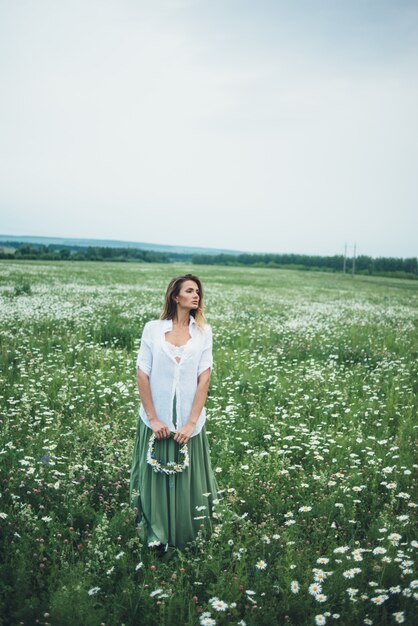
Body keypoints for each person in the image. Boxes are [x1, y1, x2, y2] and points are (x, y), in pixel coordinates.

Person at [129, 273, 219, 559]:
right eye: (190, 291)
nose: (196, 296)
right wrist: (154, 419)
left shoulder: (204, 333)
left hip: (188, 422)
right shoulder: (153, 329)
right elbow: (143, 373)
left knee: (189, 481)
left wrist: (191, 423)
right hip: (158, 421)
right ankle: (157, 536)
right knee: (155, 477)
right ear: (175, 296)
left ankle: (187, 537)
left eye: (198, 292)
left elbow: (204, 378)